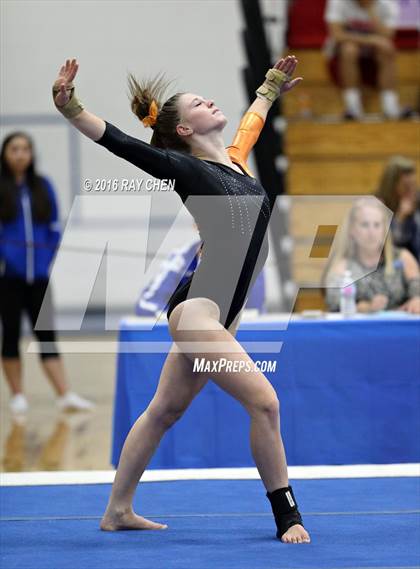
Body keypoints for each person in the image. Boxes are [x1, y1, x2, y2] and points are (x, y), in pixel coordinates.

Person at [52, 56, 311, 544]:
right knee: (266, 404)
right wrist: (71, 108)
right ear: (186, 127)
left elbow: (252, 123)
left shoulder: (235, 160)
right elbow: (123, 144)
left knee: (163, 411)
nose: (210, 100)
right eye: (198, 102)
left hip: (219, 318)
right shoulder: (184, 169)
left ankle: (118, 510)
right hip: (199, 313)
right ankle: (287, 516)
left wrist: (270, 86)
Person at [0, 132, 95, 414]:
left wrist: (44, 260)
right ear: (5, 154)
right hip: (9, 278)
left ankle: (64, 394)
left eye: (25, 149)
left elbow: (53, 229)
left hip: (39, 277)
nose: (20, 154)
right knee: (11, 334)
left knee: (46, 334)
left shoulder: (42, 187)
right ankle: (17, 395)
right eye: (14, 149)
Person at [322, 196, 420, 314]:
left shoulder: (403, 257)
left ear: (385, 229)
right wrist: (366, 307)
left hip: (401, 329)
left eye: (377, 225)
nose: (371, 232)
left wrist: (416, 300)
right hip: (360, 330)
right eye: (364, 224)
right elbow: (334, 302)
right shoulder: (342, 266)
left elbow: (417, 288)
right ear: (352, 230)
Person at [136, 234, 267, 318]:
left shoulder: (249, 260)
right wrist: (175, 318)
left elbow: (255, 312)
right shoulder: (181, 258)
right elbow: (145, 305)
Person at [324, 0, 402, 120]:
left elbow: (387, 35)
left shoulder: (387, 3)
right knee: (349, 50)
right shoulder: (338, 2)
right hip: (347, 47)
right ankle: (353, 107)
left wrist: (371, 12)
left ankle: (390, 106)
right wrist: (371, 40)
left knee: (387, 48)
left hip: (375, 49)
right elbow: (337, 34)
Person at [375, 156, 420, 262]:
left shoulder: (417, 201)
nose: (411, 191)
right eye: (406, 186)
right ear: (391, 185)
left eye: (413, 185)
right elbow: (383, 247)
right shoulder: (376, 205)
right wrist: (400, 218)